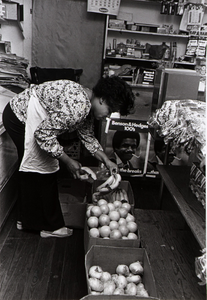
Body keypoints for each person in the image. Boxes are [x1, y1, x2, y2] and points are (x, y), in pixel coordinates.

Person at [3, 76, 135, 238]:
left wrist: (106, 160)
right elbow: (43, 135)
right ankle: (47, 226)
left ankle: (26, 220)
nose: (107, 116)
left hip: (26, 115)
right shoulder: (79, 107)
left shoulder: (87, 103)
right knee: (41, 168)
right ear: (102, 100)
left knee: (35, 168)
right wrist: (68, 161)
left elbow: (88, 137)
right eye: (110, 110)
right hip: (19, 117)